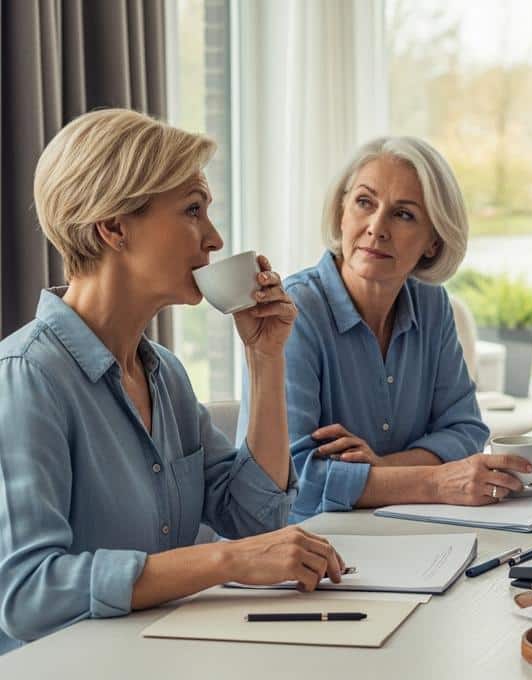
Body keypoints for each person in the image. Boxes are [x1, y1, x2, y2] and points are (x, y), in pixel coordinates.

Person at [0, 109, 345, 655]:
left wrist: (266, 359)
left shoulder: (164, 374)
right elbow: (27, 594)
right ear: (113, 227)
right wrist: (224, 562)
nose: (214, 238)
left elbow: (254, 517)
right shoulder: (27, 379)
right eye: (192, 210)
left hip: (164, 655)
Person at [242, 136, 531, 523]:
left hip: (389, 538)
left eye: (404, 214)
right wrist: (432, 482)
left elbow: (464, 428)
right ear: (341, 211)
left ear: (433, 241)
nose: (377, 228)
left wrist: (381, 469)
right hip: (290, 550)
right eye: (365, 202)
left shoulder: (431, 304)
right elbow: (294, 482)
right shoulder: (294, 313)